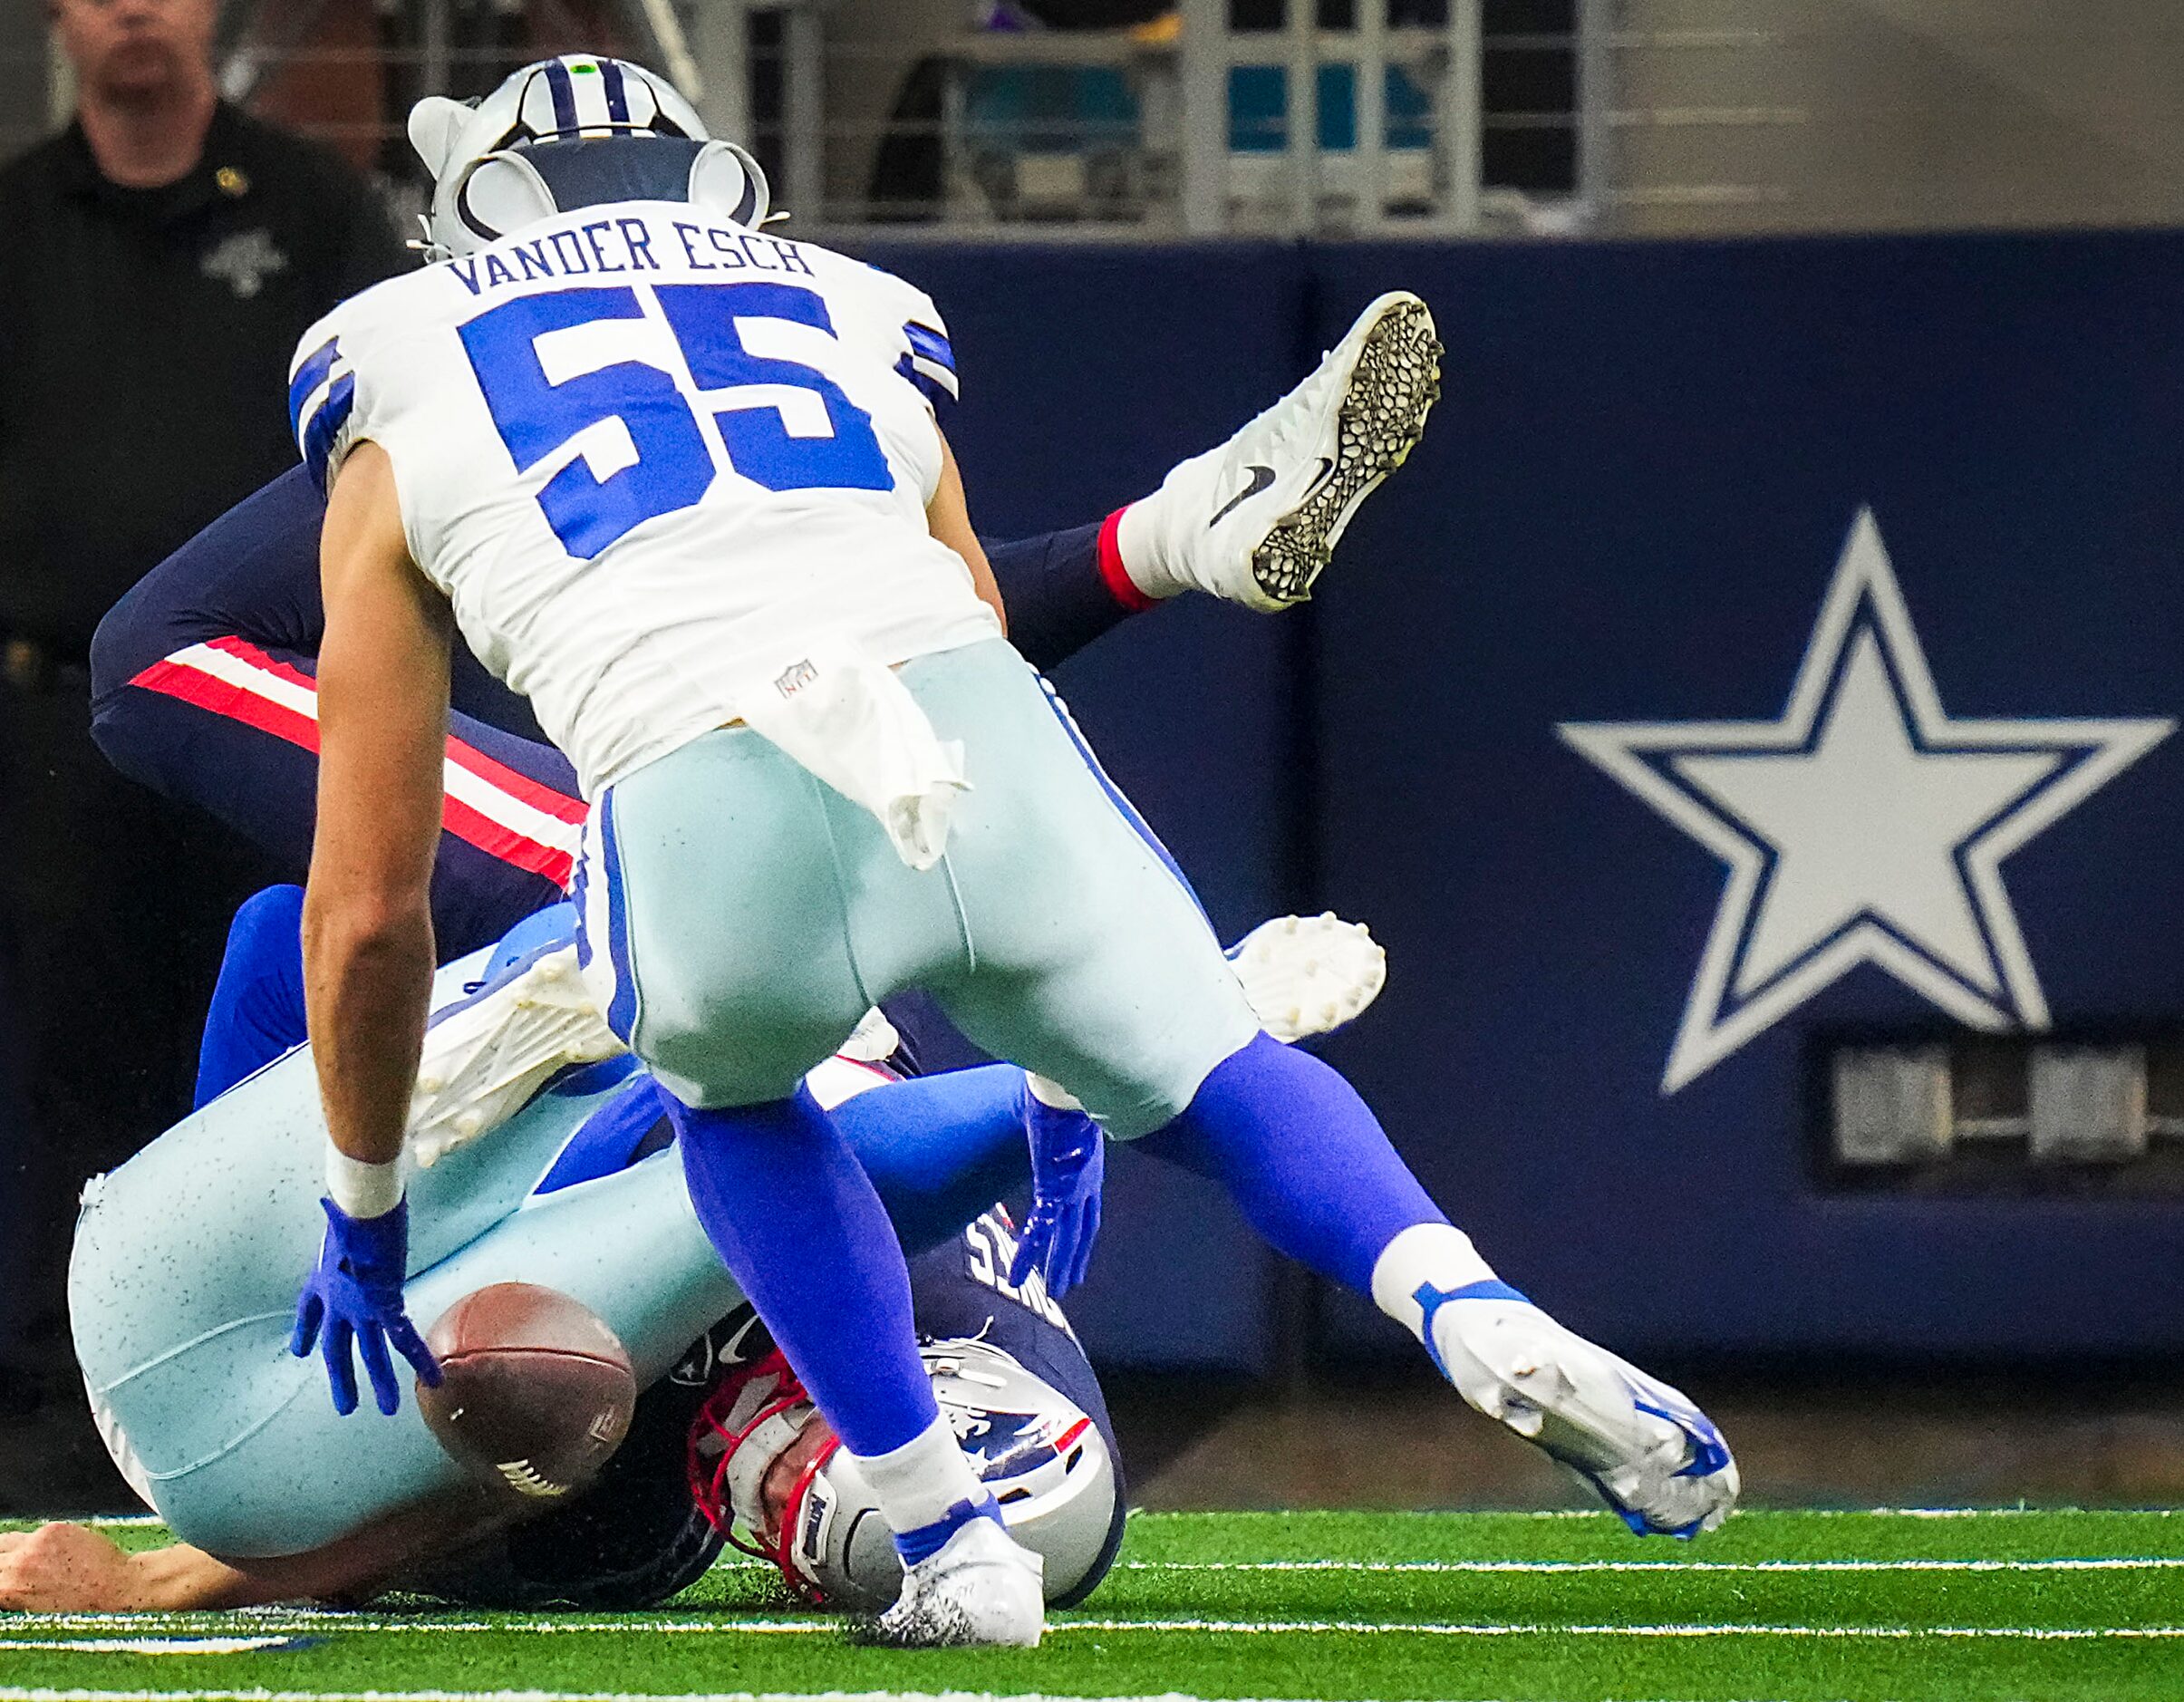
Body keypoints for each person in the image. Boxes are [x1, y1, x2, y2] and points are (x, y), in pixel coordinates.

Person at [285, 54, 1735, 1650]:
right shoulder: (848, 304)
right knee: (1214, 1068)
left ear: (470, 213)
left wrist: (362, 1210)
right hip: (973, 727)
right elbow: (972, 619)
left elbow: (366, 908)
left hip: (694, 762)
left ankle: (948, 1539)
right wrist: (1063, 1057)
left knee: (738, 1107)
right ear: (715, 188)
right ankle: (1467, 1301)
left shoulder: (391, 366)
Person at [1, 880, 1373, 1612]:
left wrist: (176, 1570)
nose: (760, 1468)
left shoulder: (654, 1477)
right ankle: (600, 968)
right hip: (624, 1120)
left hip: (519, 1460)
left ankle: (598, 962)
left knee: (571, 1382)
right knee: (307, 949)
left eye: (777, 1503)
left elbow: (461, 1498)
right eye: (797, 1459)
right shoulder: (918, 1260)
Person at [0, 0, 408, 1404]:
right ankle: (83, 1416)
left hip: (280, 715)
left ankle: (294, 1394)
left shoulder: (315, 209)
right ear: (59, 19)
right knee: (74, 1085)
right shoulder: (10, 221)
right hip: (51, 728)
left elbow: (396, 445)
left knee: (296, 1052)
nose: (132, 12)